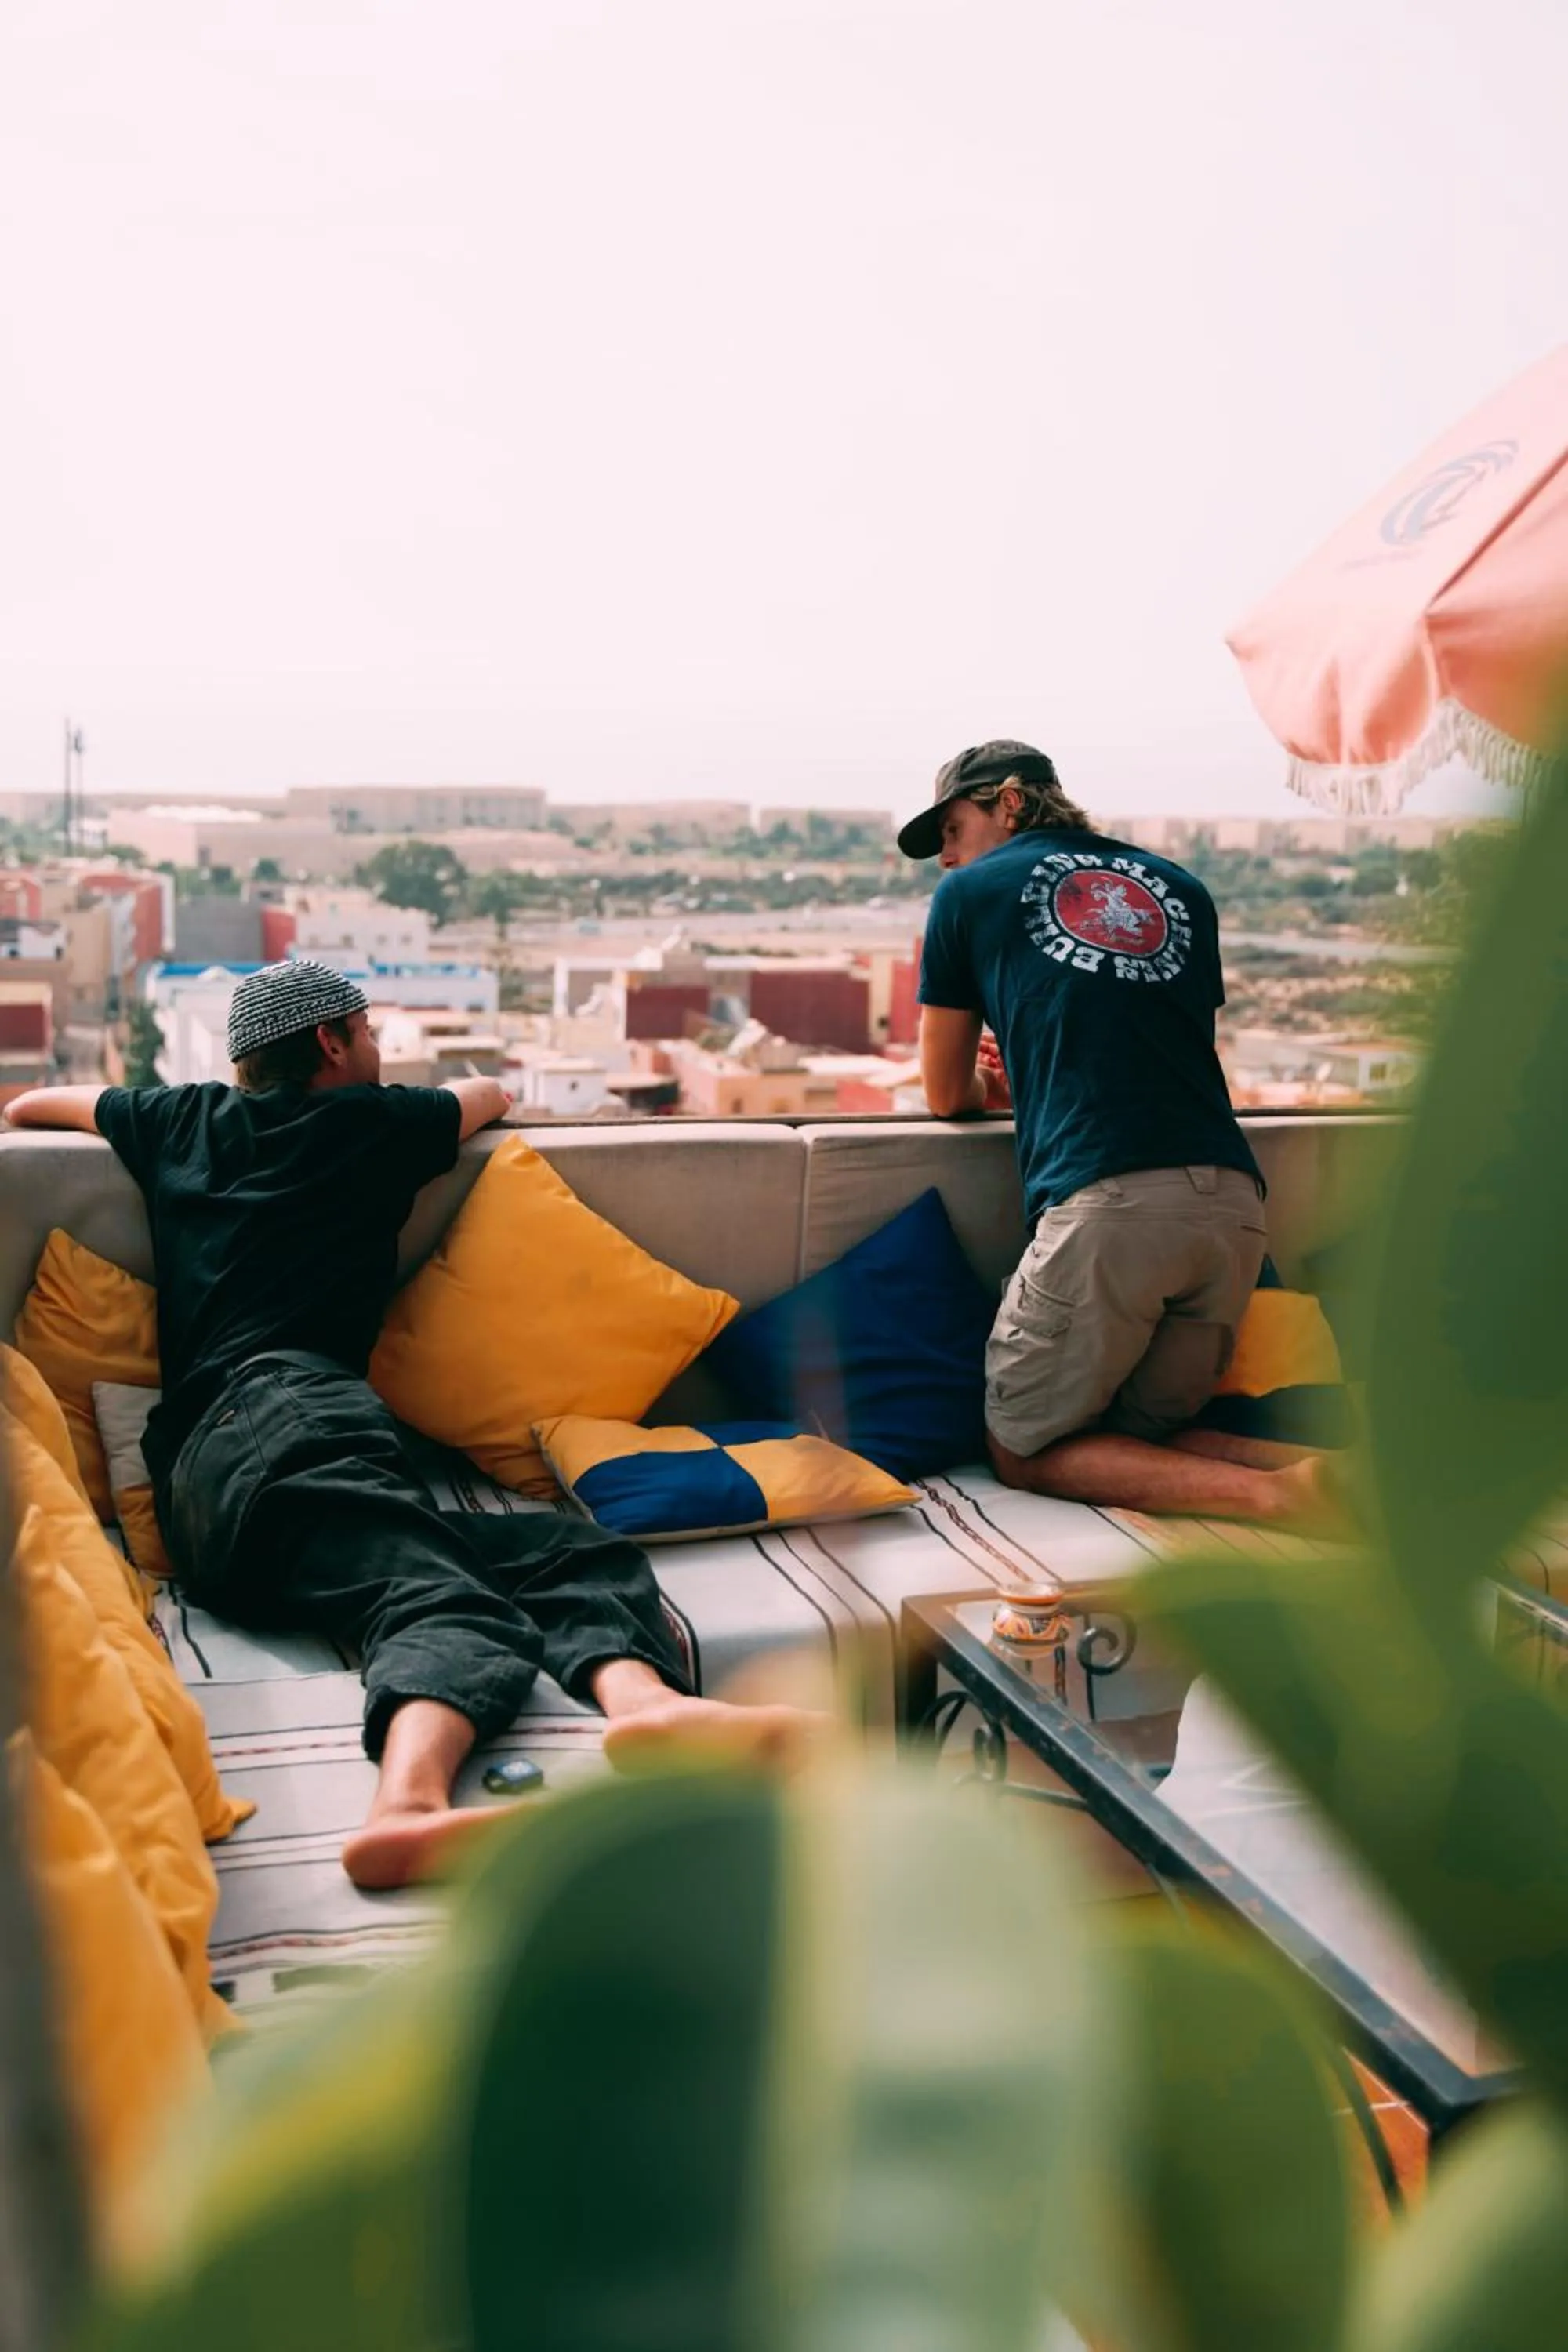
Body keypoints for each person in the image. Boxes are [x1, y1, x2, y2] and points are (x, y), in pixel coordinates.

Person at [3, 960, 819, 1888]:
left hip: (211, 1514)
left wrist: (141, 1116)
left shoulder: (178, 1119)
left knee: (570, 1555)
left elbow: (32, 1106)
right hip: (285, 1418)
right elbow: (489, 1096)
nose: (379, 1054)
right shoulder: (371, 1124)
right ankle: (407, 1809)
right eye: (369, 1035)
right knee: (443, 1600)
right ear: (330, 1043)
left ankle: (645, 1706)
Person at [899, 741, 1334, 1526]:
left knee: (1023, 1447)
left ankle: (1283, 1497)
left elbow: (944, 1095)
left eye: (952, 830)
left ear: (1009, 802)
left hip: (1112, 1203)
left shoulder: (967, 895)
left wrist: (997, 1085)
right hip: (1232, 1207)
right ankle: (1344, 1480)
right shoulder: (1180, 887)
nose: (946, 857)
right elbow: (1165, 1047)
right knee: (1141, 1440)